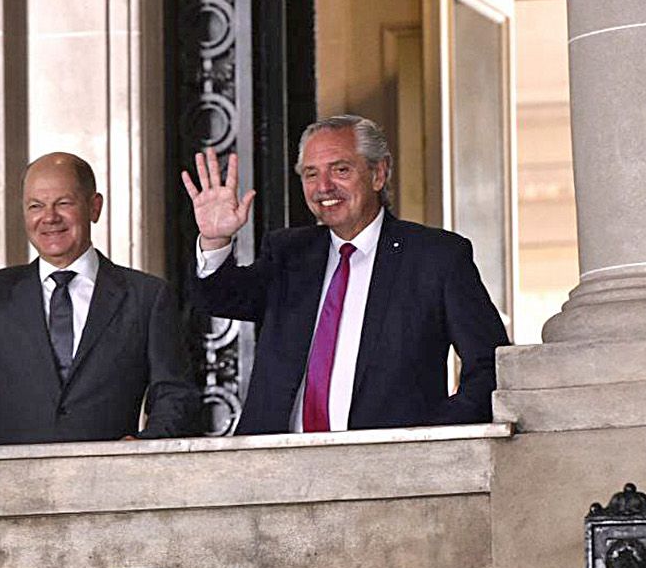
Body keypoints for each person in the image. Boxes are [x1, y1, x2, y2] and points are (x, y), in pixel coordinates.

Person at [182, 115, 509, 434]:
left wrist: (432, 435)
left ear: (378, 174)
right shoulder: (288, 253)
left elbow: (490, 367)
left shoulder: (435, 257)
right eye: (311, 174)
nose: (324, 187)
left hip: (391, 467)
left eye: (340, 170)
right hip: (276, 466)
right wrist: (215, 238)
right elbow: (219, 297)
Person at [0, 153, 199, 445]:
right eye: (35, 206)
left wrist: (146, 447)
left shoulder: (146, 297)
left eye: (63, 203)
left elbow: (175, 394)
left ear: (94, 207)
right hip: (14, 491)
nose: (49, 218)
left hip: (111, 486)